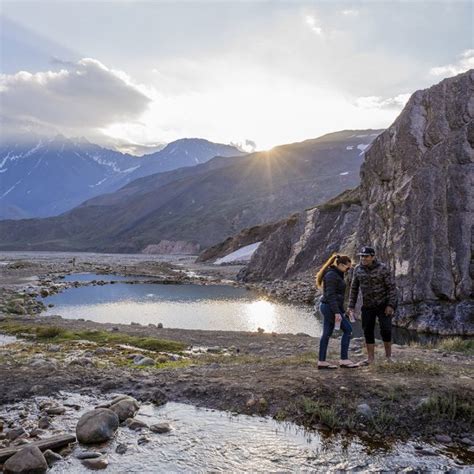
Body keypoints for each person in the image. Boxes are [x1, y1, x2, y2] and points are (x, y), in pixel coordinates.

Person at [348, 246, 397, 365]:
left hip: (383, 304)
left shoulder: (383, 268)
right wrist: (351, 306)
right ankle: (370, 359)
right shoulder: (358, 269)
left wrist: (390, 305)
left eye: (366, 256)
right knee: (367, 331)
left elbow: (391, 288)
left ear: (373, 257)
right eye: (361, 256)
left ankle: (388, 357)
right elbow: (354, 288)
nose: (363, 258)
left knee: (386, 330)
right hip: (367, 306)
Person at [315, 254, 358, 369]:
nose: (348, 270)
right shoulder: (331, 275)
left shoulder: (337, 274)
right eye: (347, 267)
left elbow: (338, 297)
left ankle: (322, 361)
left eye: (350, 268)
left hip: (329, 307)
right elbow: (331, 295)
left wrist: (342, 311)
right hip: (329, 307)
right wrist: (337, 313)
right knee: (348, 330)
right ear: (339, 265)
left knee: (326, 333)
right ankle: (344, 359)